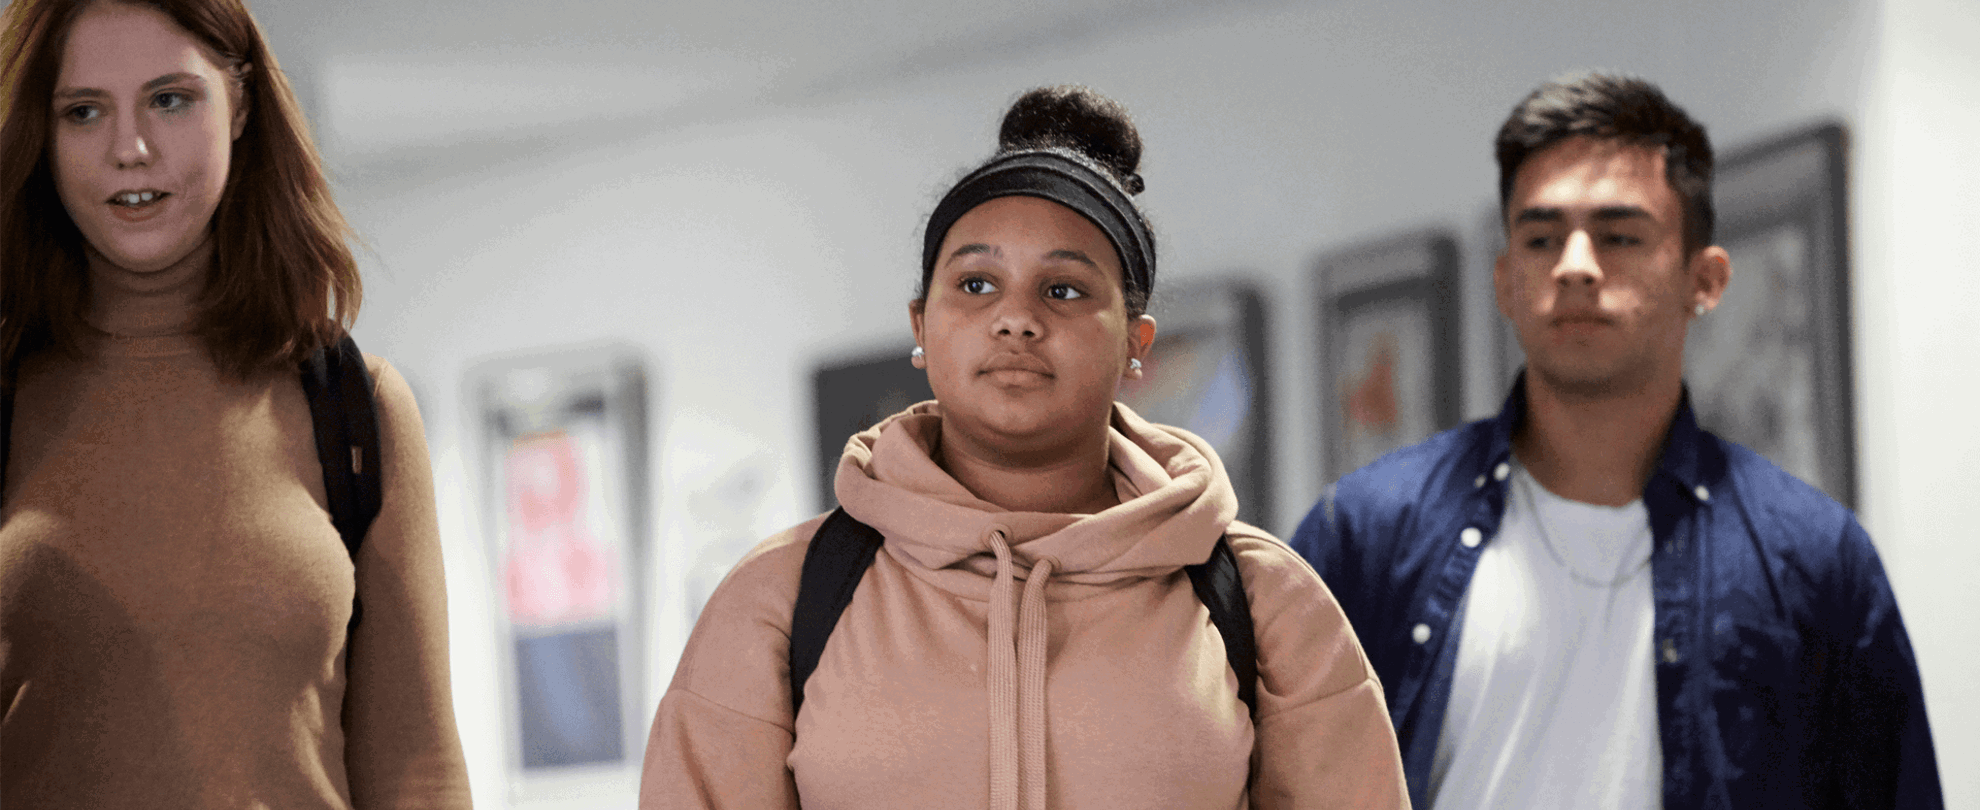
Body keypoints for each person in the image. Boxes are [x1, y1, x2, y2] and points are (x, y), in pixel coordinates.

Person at [640, 85, 1406, 809]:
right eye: (976, 285)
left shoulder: (1264, 600)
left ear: (1135, 344)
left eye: (1064, 290)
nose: (1015, 319)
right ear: (920, 327)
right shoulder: (783, 596)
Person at [1291, 71, 1942, 809]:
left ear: (1707, 278)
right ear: (1506, 281)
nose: (1574, 265)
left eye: (1619, 235)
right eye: (1541, 238)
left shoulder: (1818, 561)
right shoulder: (1367, 532)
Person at [0, 0, 471, 806]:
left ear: (241, 104)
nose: (131, 149)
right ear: (41, 137)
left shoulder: (357, 411)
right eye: (84, 111)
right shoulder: (11, 398)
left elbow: (417, 772)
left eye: (170, 99)